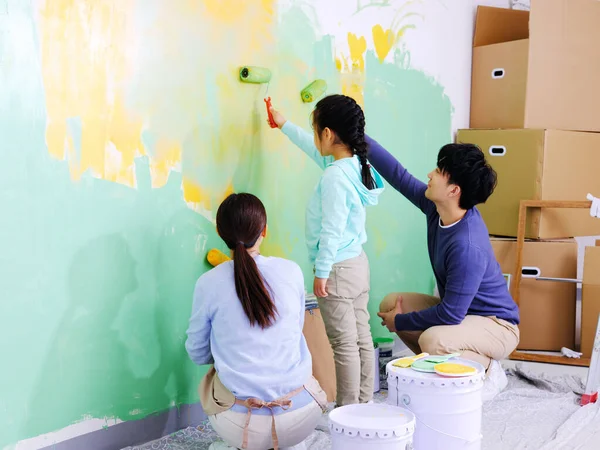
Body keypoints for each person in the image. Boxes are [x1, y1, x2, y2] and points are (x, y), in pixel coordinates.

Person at [371, 136, 520, 401]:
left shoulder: (467, 246)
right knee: (393, 303)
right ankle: (441, 367)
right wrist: (359, 139)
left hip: (497, 326)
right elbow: (398, 175)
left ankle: (486, 368)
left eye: (439, 171)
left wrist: (400, 322)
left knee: (434, 339)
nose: (430, 174)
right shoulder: (436, 208)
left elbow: (451, 313)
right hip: (463, 317)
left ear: (454, 190)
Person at [185, 193, 327, 450]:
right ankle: (287, 442)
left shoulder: (208, 283)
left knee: (217, 370)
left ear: (219, 231)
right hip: (302, 415)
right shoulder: (292, 271)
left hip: (240, 424)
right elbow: (295, 331)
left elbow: (197, 352)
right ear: (264, 231)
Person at [269, 94, 384, 407]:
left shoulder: (334, 177)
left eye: (316, 128)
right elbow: (313, 148)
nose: (315, 135)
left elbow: (331, 229)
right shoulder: (356, 165)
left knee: (344, 345)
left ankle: (348, 414)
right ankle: (362, 406)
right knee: (362, 340)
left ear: (329, 134)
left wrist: (321, 273)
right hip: (357, 265)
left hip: (337, 268)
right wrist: (284, 125)